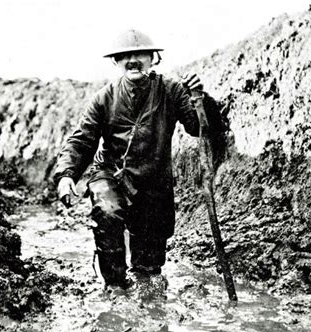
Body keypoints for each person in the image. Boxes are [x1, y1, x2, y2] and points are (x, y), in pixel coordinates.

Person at [53, 29, 225, 291]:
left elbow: (200, 127)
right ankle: (114, 286)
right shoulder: (104, 98)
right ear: (116, 62)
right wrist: (66, 175)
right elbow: (82, 139)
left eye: (139, 54)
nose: (132, 60)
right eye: (124, 56)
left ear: (153, 58)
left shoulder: (171, 91)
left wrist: (200, 98)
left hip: (153, 180)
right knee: (106, 211)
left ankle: (144, 284)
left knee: (149, 271)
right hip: (111, 173)